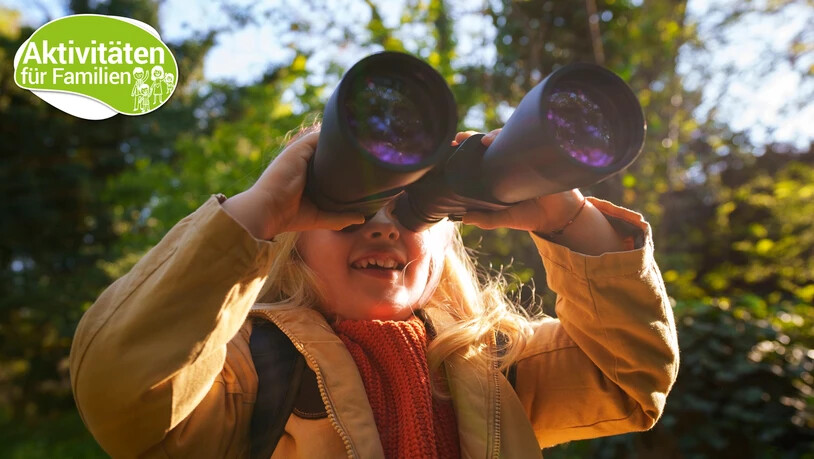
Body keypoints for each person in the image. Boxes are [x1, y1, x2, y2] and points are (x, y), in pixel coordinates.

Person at [69, 125, 679, 458]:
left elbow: (630, 378)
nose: (384, 225)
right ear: (296, 237)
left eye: (412, 211)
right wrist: (257, 213)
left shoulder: (496, 367)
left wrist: (566, 217)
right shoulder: (242, 372)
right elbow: (125, 397)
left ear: (447, 244)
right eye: (351, 209)